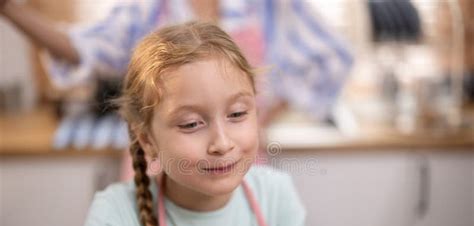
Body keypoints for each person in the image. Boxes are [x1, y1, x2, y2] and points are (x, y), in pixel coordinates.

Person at [60, 22, 347, 226]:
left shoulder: (276, 194)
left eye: (237, 114)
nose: (222, 143)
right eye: (191, 124)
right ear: (147, 140)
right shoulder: (115, 216)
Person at [0, 0, 353, 124]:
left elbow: (334, 57)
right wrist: (9, 8)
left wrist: (262, 120)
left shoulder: (269, 4)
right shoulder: (150, 7)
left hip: (245, 166)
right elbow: (80, 47)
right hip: (161, 171)